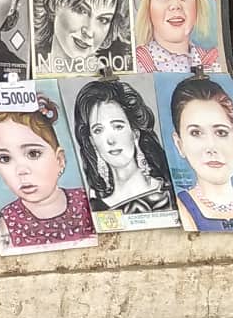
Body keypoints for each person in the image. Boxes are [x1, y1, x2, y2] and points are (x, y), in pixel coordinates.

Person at [0, 93, 94, 249]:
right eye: (5, 158)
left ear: (59, 160)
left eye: (33, 154)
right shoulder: (4, 223)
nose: (21, 170)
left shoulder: (87, 202)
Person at [168, 75, 233, 232]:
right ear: (179, 144)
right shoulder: (179, 209)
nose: (211, 147)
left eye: (221, 132)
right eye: (196, 133)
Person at [72, 78, 175, 216]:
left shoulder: (171, 192)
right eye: (98, 130)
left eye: (118, 126)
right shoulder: (96, 208)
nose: (110, 140)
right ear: (92, 141)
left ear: (135, 133)